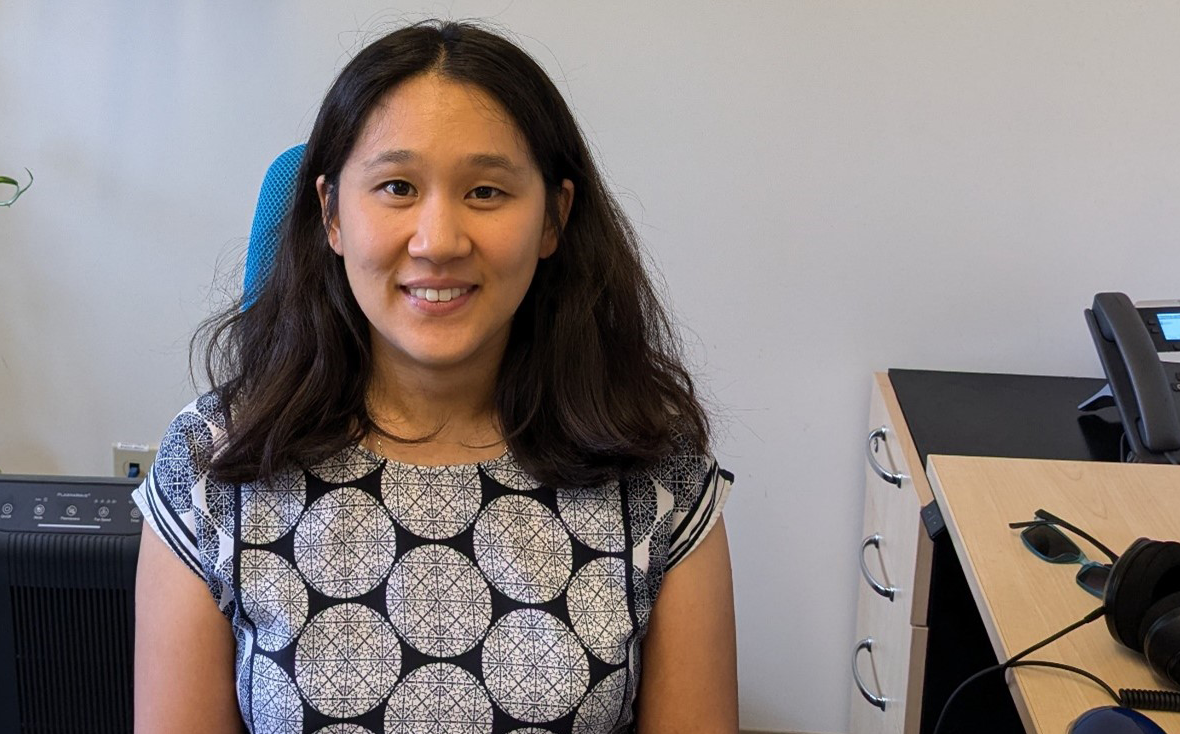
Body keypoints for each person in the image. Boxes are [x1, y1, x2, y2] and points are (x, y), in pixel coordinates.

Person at [133, 20, 737, 734]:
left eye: (485, 192)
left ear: (554, 218)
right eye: (396, 187)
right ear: (331, 215)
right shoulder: (214, 463)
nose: (438, 241)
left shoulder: (653, 468)